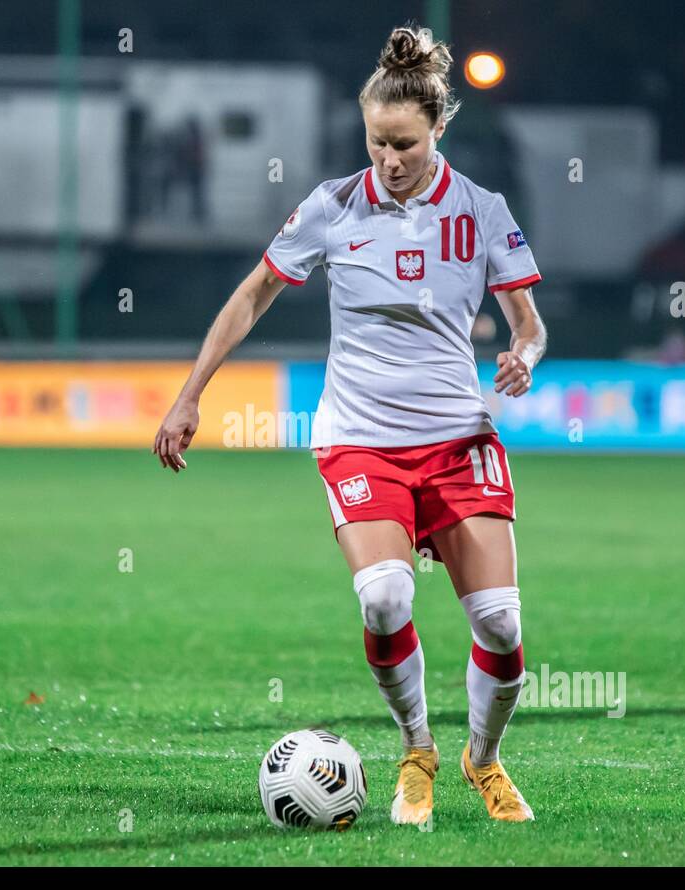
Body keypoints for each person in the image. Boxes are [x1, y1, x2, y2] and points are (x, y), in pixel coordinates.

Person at [153, 25, 547, 825]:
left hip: (458, 441)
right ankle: (418, 750)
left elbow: (529, 323)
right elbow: (253, 292)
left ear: (438, 130)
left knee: (502, 626)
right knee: (384, 599)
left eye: (403, 143)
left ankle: (484, 758)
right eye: (376, 143)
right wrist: (193, 392)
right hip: (360, 440)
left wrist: (523, 356)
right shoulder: (333, 206)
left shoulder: (482, 210)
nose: (388, 159)